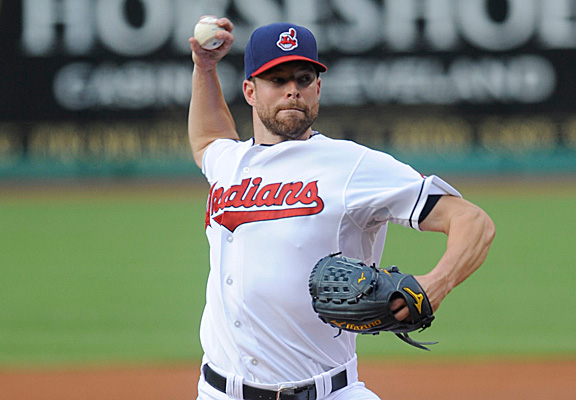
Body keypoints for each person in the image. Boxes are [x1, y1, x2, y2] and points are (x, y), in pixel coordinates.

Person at [188, 17, 495, 400]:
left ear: (318, 87)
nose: (292, 91)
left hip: (325, 392)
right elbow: (207, 139)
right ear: (250, 91)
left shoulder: (352, 165)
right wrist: (204, 68)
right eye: (277, 80)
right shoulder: (228, 162)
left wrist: (437, 284)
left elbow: (472, 220)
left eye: (303, 79)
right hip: (218, 392)